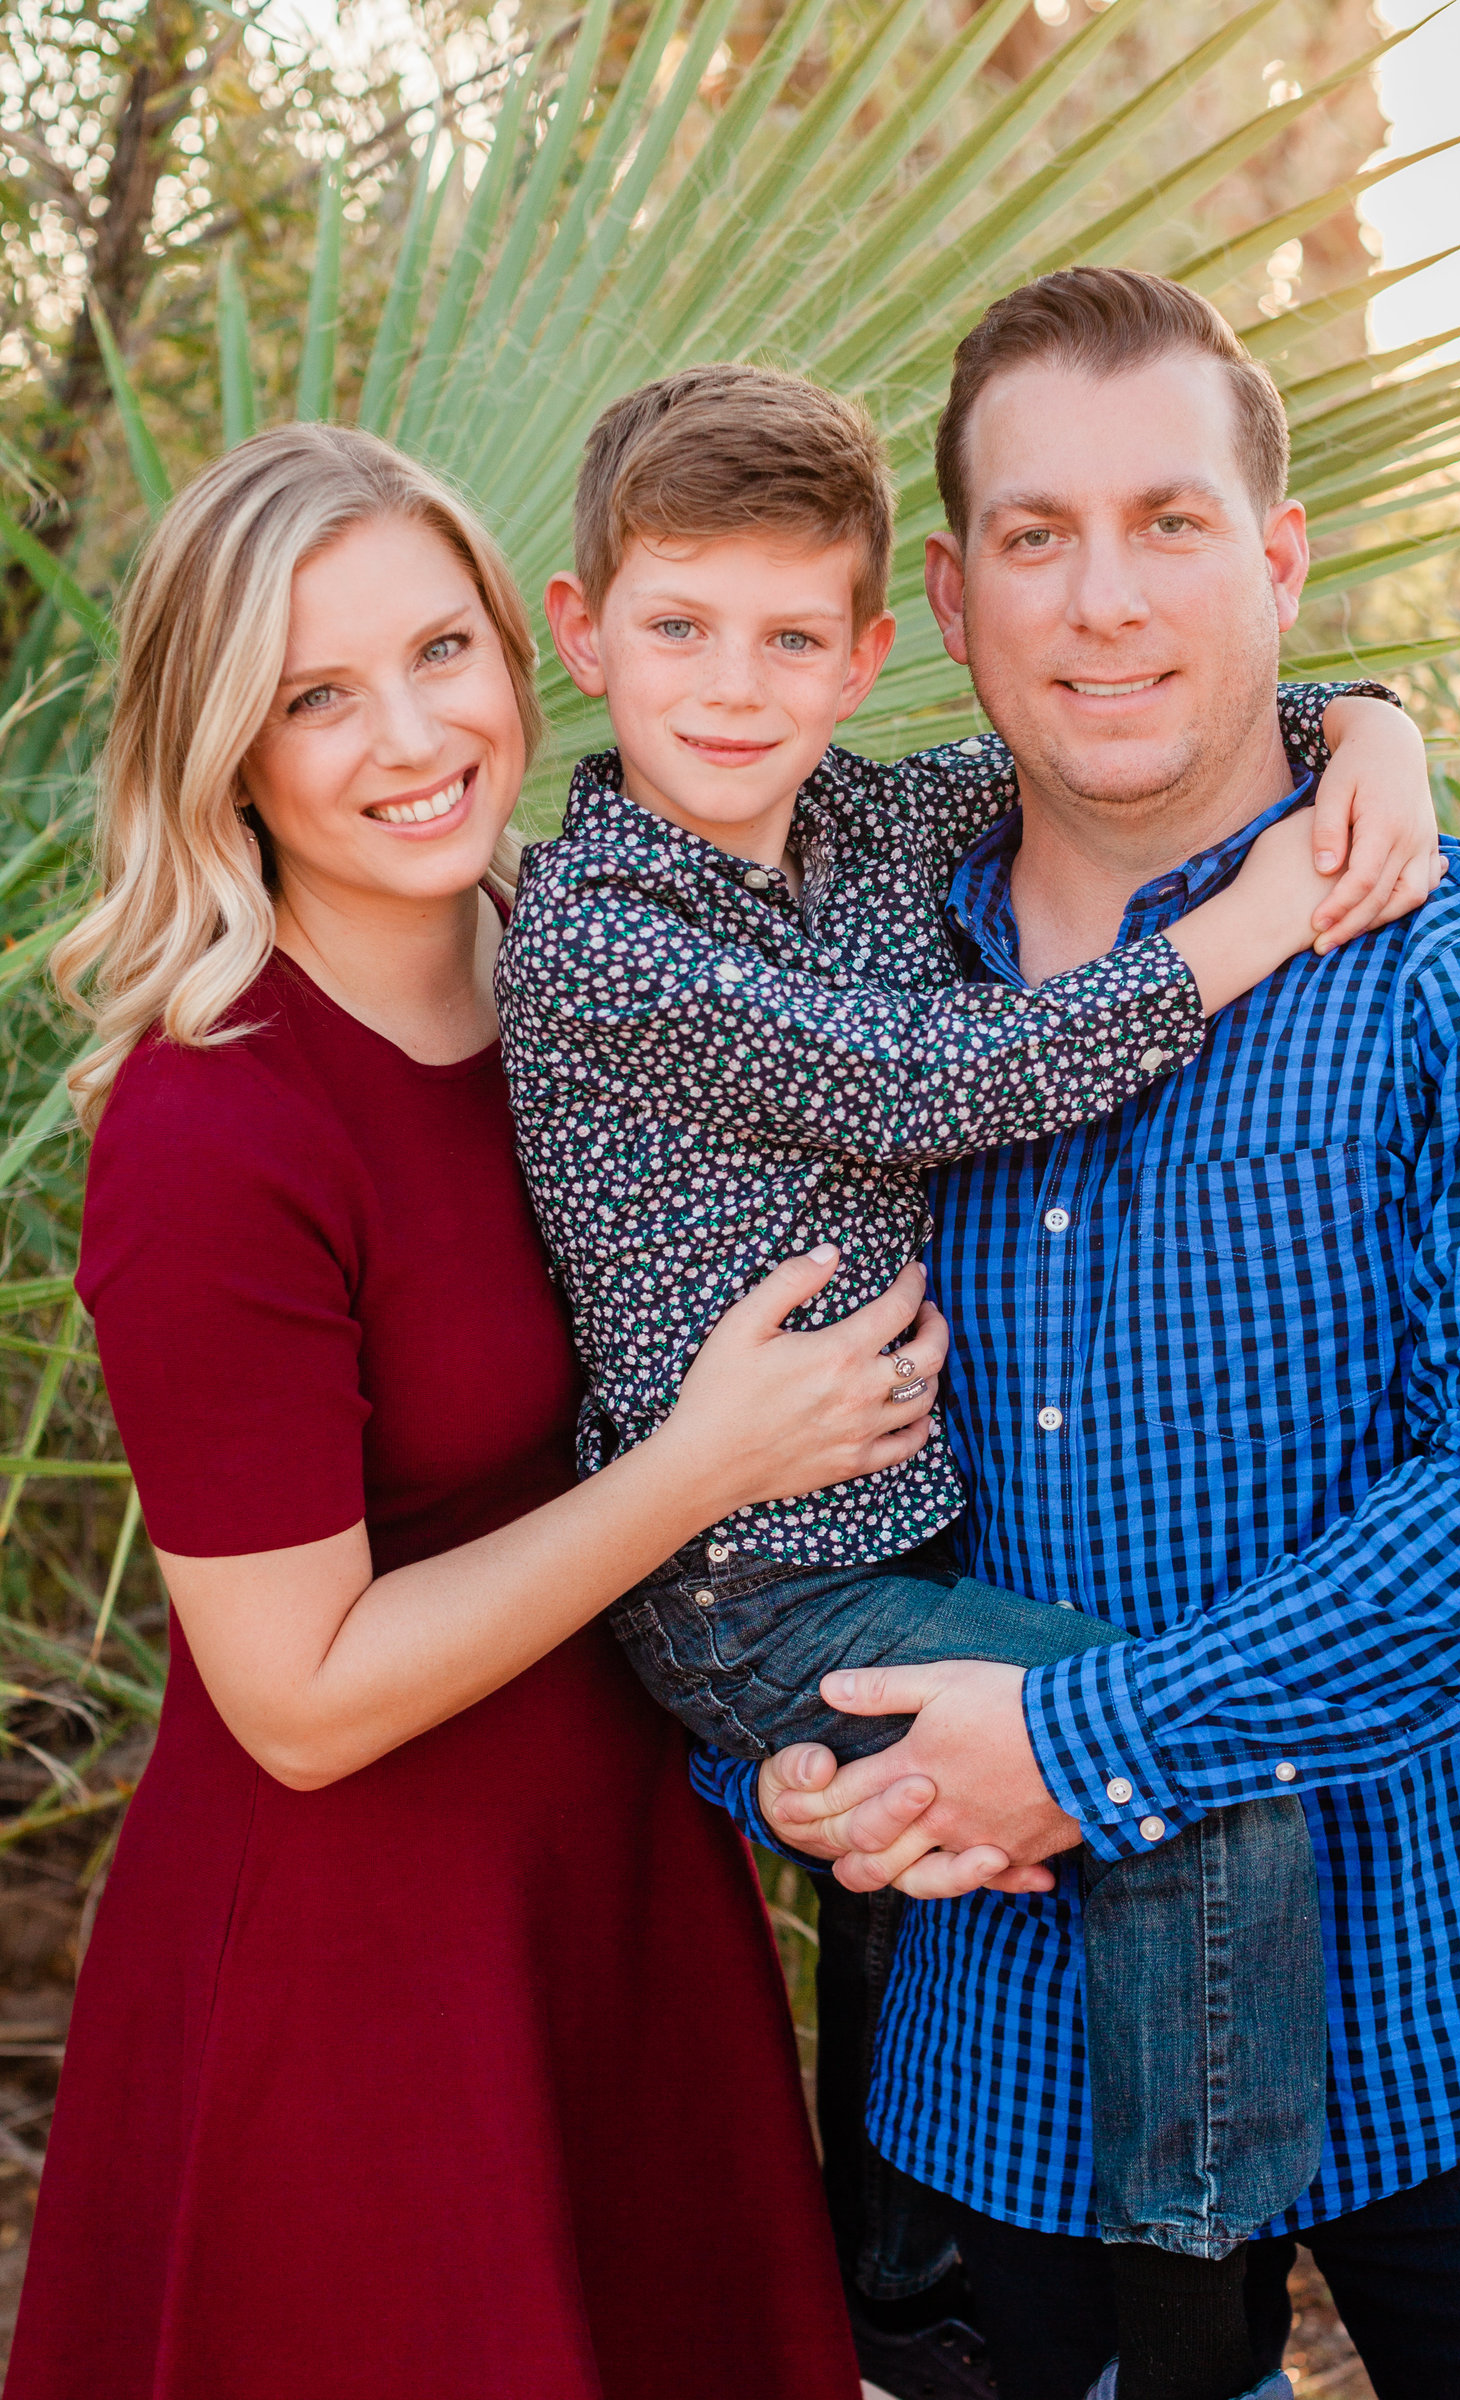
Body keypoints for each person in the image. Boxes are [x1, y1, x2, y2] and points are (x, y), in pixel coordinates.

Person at [493, 362, 1441, 2400]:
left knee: (1089, 1796)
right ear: (582, 635)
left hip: (878, 1539)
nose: (727, 689)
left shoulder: (866, 821)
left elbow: (1134, 727)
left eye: (781, 639)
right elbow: (938, 1080)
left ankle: (1025, 2308)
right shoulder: (593, 935)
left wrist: (1369, 722)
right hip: (753, 1588)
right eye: (673, 630)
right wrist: (1258, 923)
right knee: (1178, 1795)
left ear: (861, 650)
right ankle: (1199, 2336)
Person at [5, 421, 946, 2400]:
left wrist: (1356, 733)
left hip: (620, 1902)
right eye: (314, 696)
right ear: (225, 753)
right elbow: (301, 1695)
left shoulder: (596, 961)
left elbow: (1029, 799)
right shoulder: (215, 1119)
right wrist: (708, 1463)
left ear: (529, 653)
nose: (407, 734)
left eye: (439, 653)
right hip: (363, 1986)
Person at [739, 269, 1460, 2400]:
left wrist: (1072, 1746)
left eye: (1170, 523)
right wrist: (767, 1756)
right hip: (1003, 2048)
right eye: (1035, 536)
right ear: (945, 593)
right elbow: (684, 1404)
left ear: (1278, 556)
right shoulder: (824, 1000)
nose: (1100, 601)